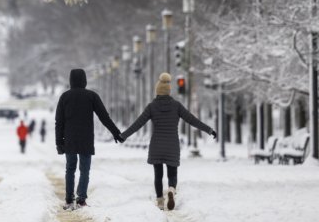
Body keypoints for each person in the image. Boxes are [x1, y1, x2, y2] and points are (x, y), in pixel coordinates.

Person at [120, 72, 217, 211]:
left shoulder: (151, 106)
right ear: (169, 91)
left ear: (157, 91)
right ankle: (171, 189)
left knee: (158, 175)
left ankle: (160, 201)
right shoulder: (176, 105)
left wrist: (123, 135)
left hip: (157, 145)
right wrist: (209, 130)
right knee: (172, 173)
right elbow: (192, 120)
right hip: (172, 145)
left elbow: (138, 123)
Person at [55, 68, 124, 210]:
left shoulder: (64, 97)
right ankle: (81, 199)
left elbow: (59, 122)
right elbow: (104, 117)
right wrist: (115, 132)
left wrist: (59, 143)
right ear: (84, 80)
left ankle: (69, 200)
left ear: (70, 80)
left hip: (70, 139)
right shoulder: (91, 96)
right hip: (86, 139)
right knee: (84, 170)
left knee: (70, 169)